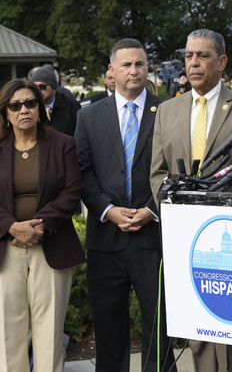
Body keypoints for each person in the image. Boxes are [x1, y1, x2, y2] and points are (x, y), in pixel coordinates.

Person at [150, 29, 232, 372]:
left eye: (203, 56)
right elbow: (158, 172)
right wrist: (175, 212)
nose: (194, 63)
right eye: (189, 56)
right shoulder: (167, 110)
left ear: (222, 62)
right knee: (199, 331)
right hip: (188, 237)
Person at [75, 38, 176, 372]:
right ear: (112, 70)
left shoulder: (167, 111)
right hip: (106, 239)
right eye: (126, 65)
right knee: (108, 330)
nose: (134, 71)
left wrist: (151, 209)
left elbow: (174, 170)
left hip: (153, 240)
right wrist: (107, 210)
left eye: (141, 64)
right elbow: (83, 171)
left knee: (159, 327)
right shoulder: (88, 116)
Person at [0, 79, 85, 371]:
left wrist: (39, 226)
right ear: (6, 113)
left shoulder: (63, 144)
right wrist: (12, 227)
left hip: (52, 245)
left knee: (49, 331)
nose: (23, 109)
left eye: (30, 103)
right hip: (6, 247)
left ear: (40, 107)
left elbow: (71, 192)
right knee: (7, 332)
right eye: (15, 105)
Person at [30, 65, 81, 136]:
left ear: (53, 86)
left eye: (42, 87)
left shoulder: (71, 106)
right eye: (34, 87)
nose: (38, 91)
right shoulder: (29, 106)